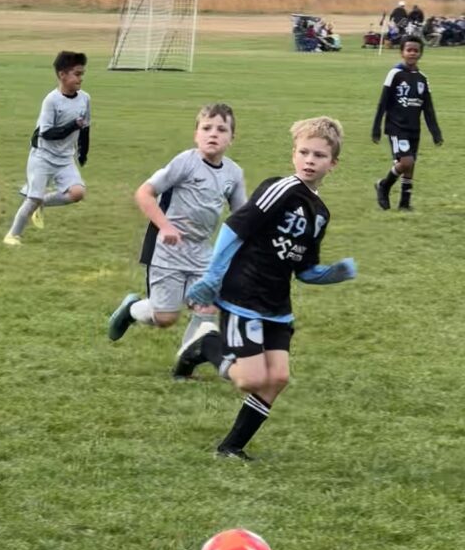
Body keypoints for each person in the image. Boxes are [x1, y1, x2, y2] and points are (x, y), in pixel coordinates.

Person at [173, 116, 356, 461]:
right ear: (293, 154)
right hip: (243, 294)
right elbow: (235, 227)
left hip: (277, 304)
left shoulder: (320, 214)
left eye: (319, 155)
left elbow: (304, 270)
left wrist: (332, 274)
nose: (309, 160)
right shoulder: (281, 188)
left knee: (279, 378)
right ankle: (206, 344)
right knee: (250, 380)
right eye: (303, 152)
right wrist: (213, 276)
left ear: (333, 163)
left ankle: (231, 448)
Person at [107, 104, 246, 376]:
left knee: (206, 309)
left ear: (231, 138)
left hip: (202, 252)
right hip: (167, 249)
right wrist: (166, 226)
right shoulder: (185, 162)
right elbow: (144, 193)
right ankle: (132, 308)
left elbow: (242, 215)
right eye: (206, 128)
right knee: (166, 318)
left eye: (221, 129)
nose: (213, 134)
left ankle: (184, 366)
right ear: (196, 134)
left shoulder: (234, 173)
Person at [3, 51, 91, 246]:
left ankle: (41, 203)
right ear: (62, 75)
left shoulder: (85, 98)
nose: (80, 78)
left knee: (78, 193)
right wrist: (73, 126)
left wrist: (83, 151)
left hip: (65, 158)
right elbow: (47, 133)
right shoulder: (51, 101)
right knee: (33, 199)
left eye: (82, 74)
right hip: (43, 157)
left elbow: (85, 126)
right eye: (77, 74)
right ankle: (12, 235)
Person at [373, 36, 443, 212]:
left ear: (420, 53)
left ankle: (405, 203)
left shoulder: (422, 78)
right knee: (406, 162)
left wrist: (435, 132)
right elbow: (383, 102)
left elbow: (428, 108)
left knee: (410, 164)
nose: (412, 53)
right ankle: (384, 185)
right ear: (402, 52)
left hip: (414, 128)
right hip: (397, 127)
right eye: (408, 50)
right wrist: (376, 127)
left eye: (416, 50)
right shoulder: (395, 74)